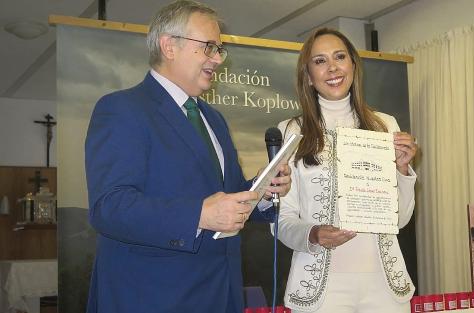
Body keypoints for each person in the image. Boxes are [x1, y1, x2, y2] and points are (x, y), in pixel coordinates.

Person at [84, 1, 291, 312]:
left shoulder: (214, 119)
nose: (217, 59)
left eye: (219, 50)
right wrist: (199, 214)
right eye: (209, 47)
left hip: (221, 293)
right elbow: (109, 207)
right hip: (153, 298)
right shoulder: (122, 109)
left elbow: (229, 193)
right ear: (169, 45)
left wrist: (263, 192)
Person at [275, 28, 418, 313]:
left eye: (340, 57)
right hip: (320, 290)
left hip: (385, 286)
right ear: (308, 76)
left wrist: (402, 170)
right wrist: (313, 233)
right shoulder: (292, 131)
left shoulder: (385, 125)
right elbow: (281, 219)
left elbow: (399, 220)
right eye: (320, 61)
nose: (333, 68)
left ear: (353, 64)